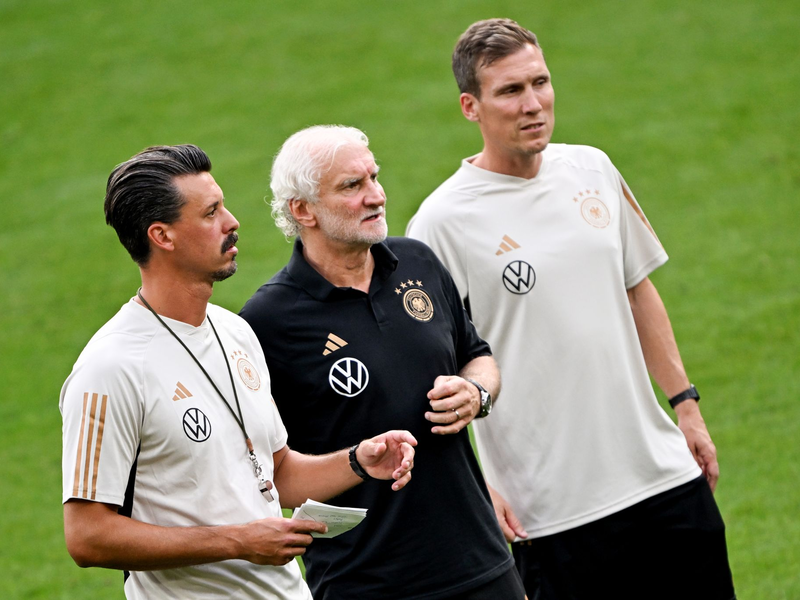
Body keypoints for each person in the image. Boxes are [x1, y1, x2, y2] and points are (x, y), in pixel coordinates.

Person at [406, 18, 735, 600]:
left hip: (663, 478)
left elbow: (637, 288)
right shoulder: (440, 224)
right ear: (470, 106)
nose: (533, 104)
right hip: (552, 513)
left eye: (540, 82)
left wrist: (686, 406)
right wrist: (481, 487)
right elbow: (431, 376)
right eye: (510, 90)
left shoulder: (592, 169)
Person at [60, 144, 417, 600]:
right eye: (210, 213)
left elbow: (274, 471)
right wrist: (238, 541)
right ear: (162, 236)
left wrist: (357, 461)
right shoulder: (110, 369)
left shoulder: (236, 333)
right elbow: (87, 536)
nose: (232, 222)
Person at [239, 125, 525, 599]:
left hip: (480, 562)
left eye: (374, 177)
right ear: (302, 209)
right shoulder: (268, 322)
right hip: (366, 583)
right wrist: (355, 461)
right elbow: (268, 474)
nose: (376, 195)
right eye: (352, 186)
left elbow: (478, 358)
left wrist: (476, 394)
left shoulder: (418, 263)